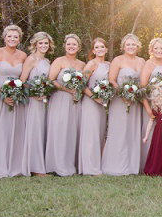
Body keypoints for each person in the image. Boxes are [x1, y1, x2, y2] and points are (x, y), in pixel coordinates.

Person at [0, 24, 28, 179]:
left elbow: (23, 78)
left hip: (16, 98)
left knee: (16, 131)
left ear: (19, 39)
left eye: (15, 37)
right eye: (9, 36)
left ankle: (15, 166)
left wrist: (16, 94)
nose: (12, 39)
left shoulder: (23, 55)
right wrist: (2, 95)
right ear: (4, 38)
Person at [101, 33, 145, 176]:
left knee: (133, 131)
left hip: (135, 102)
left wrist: (135, 94)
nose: (131, 47)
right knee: (119, 131)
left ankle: (132, 166)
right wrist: (123, 94)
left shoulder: (142, 61)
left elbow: (144, 81)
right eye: (128, 44)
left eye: (133, 44)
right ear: (123, 46)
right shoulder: (117, 60)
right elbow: (112, 80)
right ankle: (115, 165)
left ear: (137, 46)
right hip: (120, 101)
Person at [45, 34, 86, 176]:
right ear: (64, 46)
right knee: (59, 130)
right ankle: (56, 165)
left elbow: (84, 83)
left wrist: (77, 92)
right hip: (60, 99)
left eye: (74, 44)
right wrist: (67, 89)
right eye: (69, 44)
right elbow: (51, 80)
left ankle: (70, 164)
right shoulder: (59, 61)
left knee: (72, 131)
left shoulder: (82, 65)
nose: (71, 47)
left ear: (79, 47)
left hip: (75, 101)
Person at [19, 31, 53, 176]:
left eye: (46, 43)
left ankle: (41, 165)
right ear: (35, 44)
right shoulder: (31, 59)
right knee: (34, 131)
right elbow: (22, 81)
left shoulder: (47, 62)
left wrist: (45, 91)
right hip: (33, 101)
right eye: (41, 43)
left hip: (44, 101)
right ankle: (34, 167)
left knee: (42, 130)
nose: (44, 45)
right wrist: (34, 93)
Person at [78, 37, 110, 176]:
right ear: (93, 50)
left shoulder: (109, 65)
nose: (100, 49)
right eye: (97, 47)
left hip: (102, 103)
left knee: (100, 133)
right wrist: (94, 97)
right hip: (91, 102)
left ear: (106, 49)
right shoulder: (91, 64)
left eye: (102, 47)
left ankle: (98, 164)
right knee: (91, 134)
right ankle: (89, 168)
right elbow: (81, 84)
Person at [140, 37, 162, 169]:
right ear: (151, 50)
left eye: (161, 48)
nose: (159, 51)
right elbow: (142, 87)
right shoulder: (148, 64)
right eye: (156, 48)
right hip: (153, 104)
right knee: (152, 131)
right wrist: (148, 108)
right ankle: (150, 164)